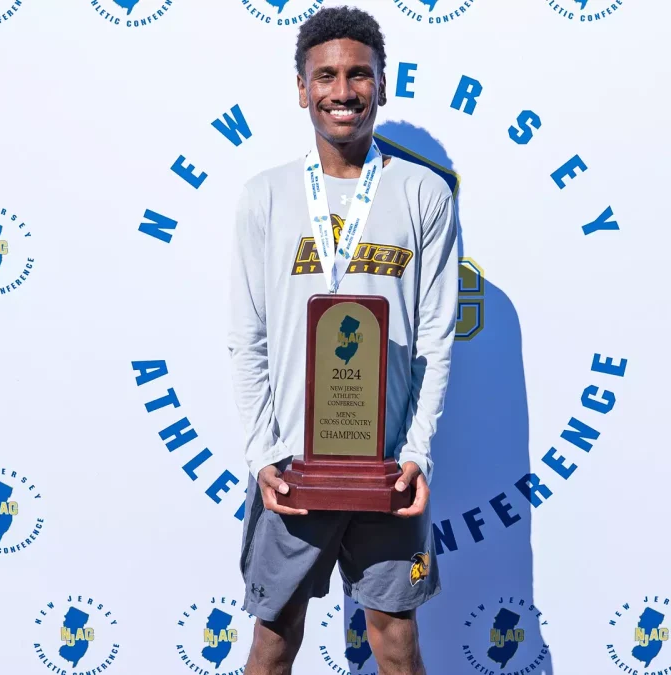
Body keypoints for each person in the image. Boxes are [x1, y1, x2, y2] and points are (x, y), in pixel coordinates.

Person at [226, 6, 458, 674]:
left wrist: (416, 452)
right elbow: (248, 337)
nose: (343, 90)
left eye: (360, 74)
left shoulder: (423, 193)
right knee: (272, 639)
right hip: (293, 465)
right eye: (325, 75)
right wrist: (265, 453)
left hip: (387, 466)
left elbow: (435, 339)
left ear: (383, 84)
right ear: (302, 88)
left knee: (396, 639)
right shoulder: (265, 196)